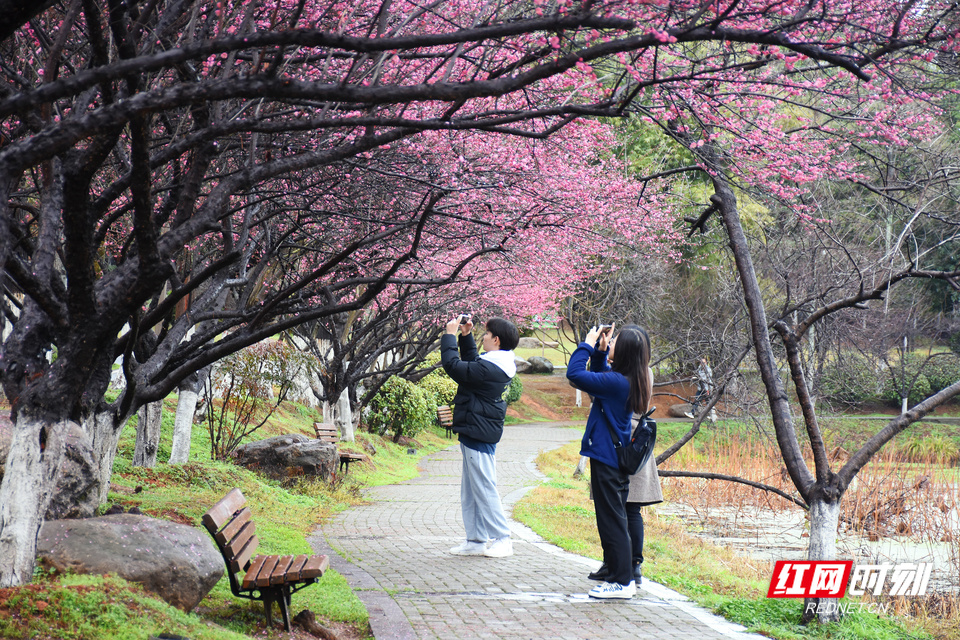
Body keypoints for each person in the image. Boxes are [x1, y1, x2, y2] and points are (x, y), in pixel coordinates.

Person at [567, 323, 653, 599]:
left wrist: (587, 343)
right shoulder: (626, 379)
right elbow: (598, 375)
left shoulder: (618, 383)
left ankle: (621, 581)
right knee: (612, 520)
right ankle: (621, 577)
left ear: (625, 352)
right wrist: (601, 354)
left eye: (614, 341)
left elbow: (576, 375)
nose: (610, 342)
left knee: (612, 522)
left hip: (607, 459)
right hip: (611, 458)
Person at [441, 315, 520, 558]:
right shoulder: (496, 363)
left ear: (495, 340)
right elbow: (473, 363)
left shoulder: (490, 368)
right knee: (472, 489)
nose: (482, 337)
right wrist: (465, 336)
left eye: (485, 334)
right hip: (475, 429)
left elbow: (454, 367)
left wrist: (449, 336)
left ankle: (502, 538)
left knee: (484, 487)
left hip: (478, 431)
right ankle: (475, 540)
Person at [685, 356, 716, 422]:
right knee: (697, 400)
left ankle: (713, 415)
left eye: (704, 362)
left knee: (708, 402)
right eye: (701, 362)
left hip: (707, 388)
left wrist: (707, 390)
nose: (702, 364)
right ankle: (692, 413)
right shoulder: (699, 369)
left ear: (706, 363)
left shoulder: (708, 370)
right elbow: (698, 376)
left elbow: (705, 379)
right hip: (700, 389)